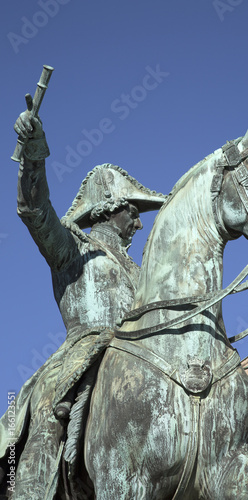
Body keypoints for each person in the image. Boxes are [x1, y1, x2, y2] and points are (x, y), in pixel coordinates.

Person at [0, 104, 165, 499]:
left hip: (137, 356)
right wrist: (33, 151)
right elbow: (34, 211)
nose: (139, 221)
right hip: (83, 351)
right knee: (49, 415)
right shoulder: (73, 249)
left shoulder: (140, 271)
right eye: (132, 210)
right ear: (109, 208)